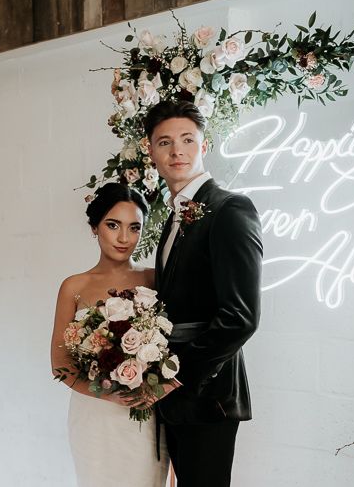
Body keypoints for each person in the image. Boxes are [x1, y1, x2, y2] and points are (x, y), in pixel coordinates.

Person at [144, 100, 263, 487]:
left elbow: (240, 319)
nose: (176, 151)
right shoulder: (173, 218)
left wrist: (174, 376)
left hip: (207, 394)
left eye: (186, 139)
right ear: (150, 151)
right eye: (164, 142)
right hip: (174, 399)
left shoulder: (230, 209)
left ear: (204, 146)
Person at [50, 183, 172, 487]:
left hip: (145, 414)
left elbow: (178, 351)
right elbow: (60, 364)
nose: (123, 238)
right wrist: (104, 393)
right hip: (95, 418)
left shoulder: (156, 280)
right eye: (113, 225)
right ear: (94, 227)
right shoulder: (74, 286)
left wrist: (154, 390)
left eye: (134, 228)